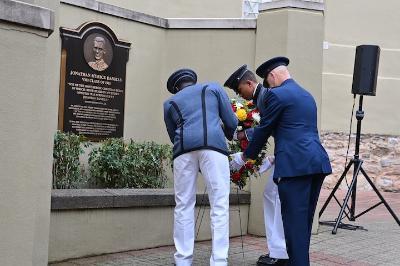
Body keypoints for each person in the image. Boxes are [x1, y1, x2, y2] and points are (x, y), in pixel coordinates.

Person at [229, 57, 332, 266]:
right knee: (302, 226)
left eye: (269, 81)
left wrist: (244, 157)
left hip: (295, 168)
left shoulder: (277, 95)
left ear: (273, 76)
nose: (269, 86)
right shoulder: (307, 95)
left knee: (293, 228)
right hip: (316, 163)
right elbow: (296, 132)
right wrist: (276, 157)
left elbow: (265, 129)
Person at [163, 68, 238, 266]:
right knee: (219, 204)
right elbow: (231, 120)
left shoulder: (169, 103)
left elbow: (173, 135)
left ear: (176, 88)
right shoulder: (212, 88)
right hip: (213, 148)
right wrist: (229, 134)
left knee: (183, 206)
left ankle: (182, 260)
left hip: (183, 152)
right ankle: (219, 261)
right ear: (193, 81)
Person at [224, 65, 289, 266]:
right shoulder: (264, 98)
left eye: (239, 90)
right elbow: (275, 128)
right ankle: (278, 251)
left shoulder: (268, 97)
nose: (240, 96)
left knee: (275, 198)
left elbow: (266, 128)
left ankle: (280, 254)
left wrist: (242, 147)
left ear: (249, 83)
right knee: (271, 195)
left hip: (290, 158)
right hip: (284, 156)